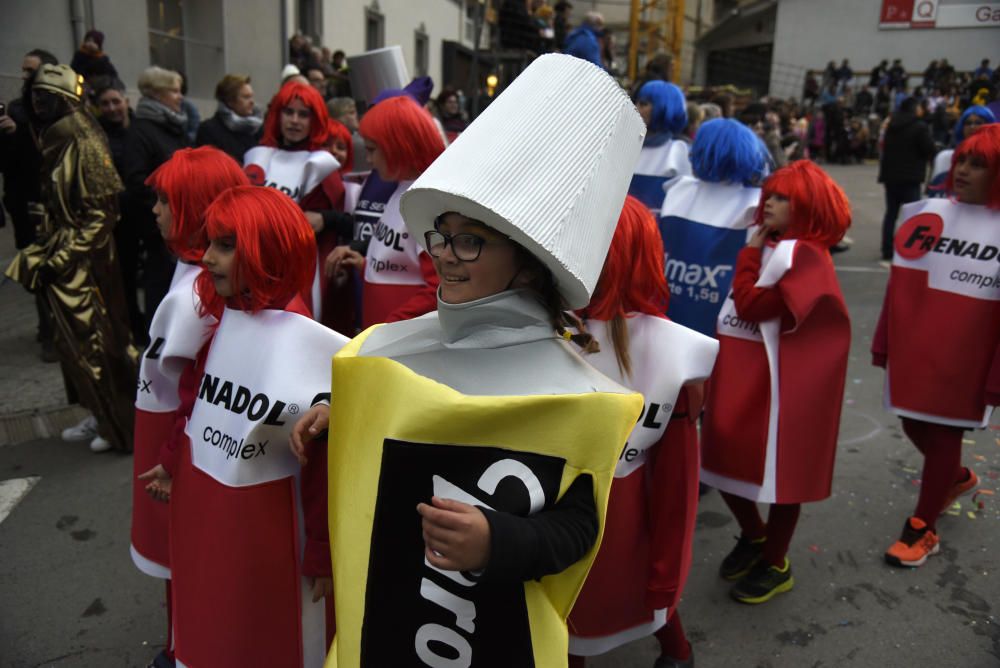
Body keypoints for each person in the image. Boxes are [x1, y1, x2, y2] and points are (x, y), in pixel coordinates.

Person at [293, 52, 646, 666]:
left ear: (528, 258)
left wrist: (500, 542)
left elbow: (578, 528)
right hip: (385, 628)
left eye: (469, 239)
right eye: (441, 234)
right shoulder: (383, 347)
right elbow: (382, 415)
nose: (444, 255)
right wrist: (334, 410)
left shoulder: (581, 396)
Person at [162, 186, 347, 667]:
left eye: (225, 245)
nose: (206, 258)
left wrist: (323, 554)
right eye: (209, 243)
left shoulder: (305, 340)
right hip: (207, 513)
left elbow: (326, 460)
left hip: (272, 536)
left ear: (268, 249)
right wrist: (168, 463)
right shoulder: (226, 315)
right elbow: (194, 402)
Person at [567, 196, 718, 668]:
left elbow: (677, 479)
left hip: (621, 518)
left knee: (634, 602)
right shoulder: (538, 328)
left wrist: (666, 573)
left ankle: (677, 650)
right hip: (544, 511)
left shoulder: (669, 350)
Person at [700, 160, 852, 604]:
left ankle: (775, 561)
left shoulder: (802, 254)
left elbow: (749, 305)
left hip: (781, 386)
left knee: (782, 475)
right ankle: (756, 536)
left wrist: (747, 255)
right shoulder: (778, 244)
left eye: (783, 198)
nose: (770, 202)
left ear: (807, 206)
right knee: (723, 458)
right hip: (749, 371)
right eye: (770, 194)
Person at [129, 146, 248, 668]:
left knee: (189, 556)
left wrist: (174, 456)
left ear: (195, 206)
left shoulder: (206, 290)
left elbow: (201, 392)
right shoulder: (189, 274)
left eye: (165, 200)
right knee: (177, 558)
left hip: (177, 442)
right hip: (162, 433)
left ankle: (181, 651)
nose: (154, 210)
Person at [873, 125, 1000, 568]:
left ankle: (923, 528)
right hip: (918, 350)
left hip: (969, 361)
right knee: (912, 423)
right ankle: (957, 477)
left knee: (944, 432)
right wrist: (884, 342)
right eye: (962, 160)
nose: (962, 170)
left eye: (978, 165)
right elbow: (900, 286)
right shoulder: (926, 213)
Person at [4, 63, 138, 453]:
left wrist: (60, 256)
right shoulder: (55, 137)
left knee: (98, 344)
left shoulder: (84, 139)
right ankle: (98, 414)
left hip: (86, 264)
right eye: (34, 97)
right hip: (66, 258)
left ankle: (119, 426)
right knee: (73, 346)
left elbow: (102, 215)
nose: (38, 104)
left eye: (45, 97)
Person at [323, 94, 445, 328]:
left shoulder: (426, 201)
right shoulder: (404, 190)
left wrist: (388, 329)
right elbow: (401, 266)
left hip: (399, 348)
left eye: (372, 150)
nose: (368, 159)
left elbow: (440, 288)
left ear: (398, 147)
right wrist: (364, 265)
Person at [244, 81, 353, 331]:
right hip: (254, 261)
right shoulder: (258, 157)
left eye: (303, 114)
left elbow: (336, 220)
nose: (294, 120)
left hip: (299, 270)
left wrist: (324, 218)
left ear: (315, 120)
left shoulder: (322, 166)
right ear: (277, 115)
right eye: (288, 112)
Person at [658, 118, 770, 336]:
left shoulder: (678, 190)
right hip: (718, 325)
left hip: (670, 318)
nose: (690, 154)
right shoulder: (755, 201)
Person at [0, 49, 59, 362]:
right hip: (23, 202)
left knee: (46, 266)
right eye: (22, 70)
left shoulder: (56, 109)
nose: (23, 76)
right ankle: (47, 325)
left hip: (51, 203)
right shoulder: (17, 109)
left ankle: (52, 333)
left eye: (30, 70)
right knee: (32, 269)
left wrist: (20, 133)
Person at [124, 65, 191, 326]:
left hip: (180, 223)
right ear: (157, 94)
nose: (180, 96)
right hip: (159, 229)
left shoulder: (173, 125)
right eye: (174, 91)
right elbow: (136, 180)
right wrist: (170, 199)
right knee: (161, 283)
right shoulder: (141, 131)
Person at [90, 76, 147, 343]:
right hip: (118, 223)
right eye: (105, 103)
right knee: (123, 277)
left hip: (146, 216)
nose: (112, 107)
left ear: (126, 101)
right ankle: (129, 327)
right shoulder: (96, 137)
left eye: (116, 101)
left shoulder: (142, 130)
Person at [877, 97, 935, 260]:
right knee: (912, 215)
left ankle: (886, 248)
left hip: (891, 176)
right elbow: (928, 149)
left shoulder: (892, 125)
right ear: (914, 108)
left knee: (891, 214)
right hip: (911, 176)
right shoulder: (919, 126)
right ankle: (908, 248)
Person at [629, 80, 691, 212]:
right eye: (637, 102)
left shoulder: (678, 152)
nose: (635, 107)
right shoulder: (623, 146)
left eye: (643, 104)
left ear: (664, 108)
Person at [195, 73, 263, 163]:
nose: (252, 102)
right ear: (230, 101)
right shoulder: (209, 130)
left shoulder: (257, 129)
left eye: (251, 96)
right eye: (246, 97)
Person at [928, 105, 996, 194]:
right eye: (968, 123)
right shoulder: (945, 157)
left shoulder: (995, 159)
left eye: (978, 122)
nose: (972, 126)